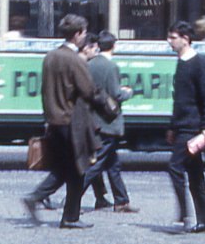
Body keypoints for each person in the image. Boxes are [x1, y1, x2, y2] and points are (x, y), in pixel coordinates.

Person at [21, 14, 114, 230]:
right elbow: (89, 90)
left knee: (65, 169)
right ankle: (68, 216)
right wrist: (109, 106)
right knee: (78, 170)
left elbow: (45, 90)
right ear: (78, 34)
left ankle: (39, 199)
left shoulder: (50, 57)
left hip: (54, 121)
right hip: (72, 122)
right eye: (83, 33)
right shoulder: (74, 60)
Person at [166, 19, 205, 234]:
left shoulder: (200, 64)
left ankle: (183, 216)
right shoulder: (182, 62)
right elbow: (180, 100)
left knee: (174, 166)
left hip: (192, 128)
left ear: (186, 39)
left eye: (173, 37)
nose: (169, 41)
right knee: (196, 176)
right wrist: (172, 127)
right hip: (182, 126)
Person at [83, 31, 137, 213]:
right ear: (114, 46)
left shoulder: (90, 64)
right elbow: (116, 94)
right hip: (109, 121)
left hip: (95, 119)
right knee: (98, 163)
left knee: (113, 163)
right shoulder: (111, 66)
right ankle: (73, 196)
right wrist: (128, 92)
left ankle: (122, 200)